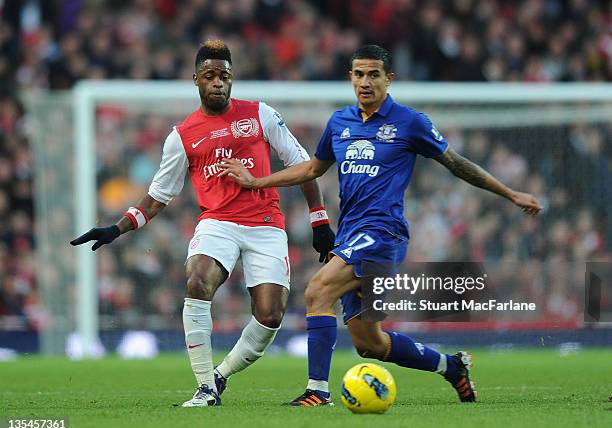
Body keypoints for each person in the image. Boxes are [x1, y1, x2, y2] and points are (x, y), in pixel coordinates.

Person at [219, 44, 543, 405]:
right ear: (350, 78)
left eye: (374, 74)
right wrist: (256, 182)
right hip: (351, 233)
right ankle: (452, 367)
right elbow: (313, 169)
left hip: (382, 233)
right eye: (359, 74)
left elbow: (456, 163)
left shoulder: (409, 122)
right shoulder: (339, 122)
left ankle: (317, 392)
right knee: (369, 343)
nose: (365, 82)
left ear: (389, 79)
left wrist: (510, 193)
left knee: (317, 292)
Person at [70, 40, 336, 407]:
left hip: (266, 223)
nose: (217, 83)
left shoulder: (261, 115)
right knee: (198, 277)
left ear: (232, 79)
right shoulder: (182, 136)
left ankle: (220, 375)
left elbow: (304, 165)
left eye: (224, 76)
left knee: (271, 314)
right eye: (209, 76)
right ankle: (204, 388)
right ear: (196, 79)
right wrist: (116, 228)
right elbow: (158, 197)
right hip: (217, 223)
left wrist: (318, 219)